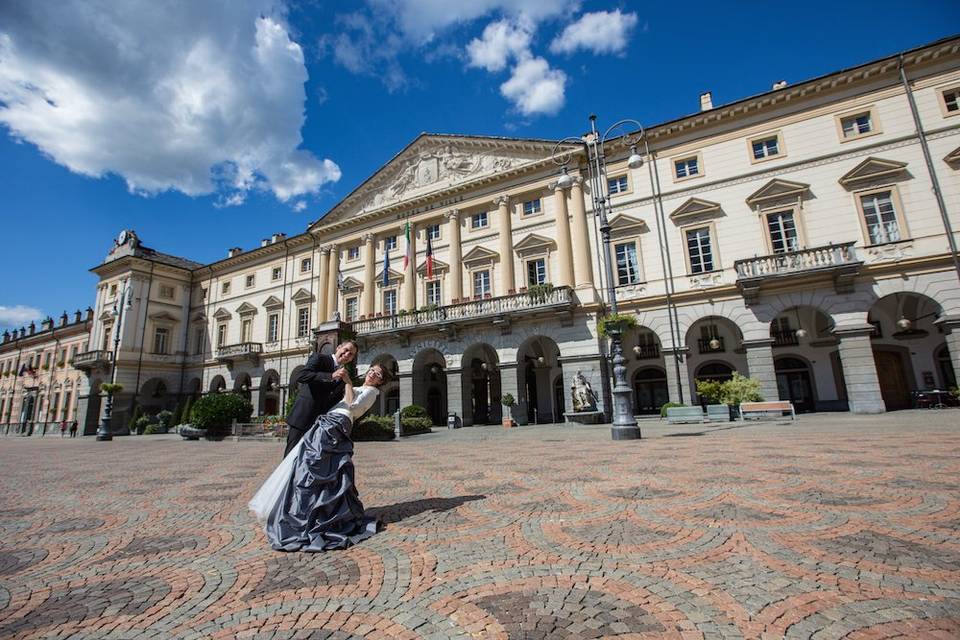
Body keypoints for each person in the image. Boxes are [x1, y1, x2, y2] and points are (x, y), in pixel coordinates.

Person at [249, 363, 388, 552]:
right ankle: (312, 511)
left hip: (337, 423)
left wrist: (347, 381)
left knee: (317, 465)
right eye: (372, 370)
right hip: (330, 420)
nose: (372, 374)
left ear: (381, 381)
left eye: (377, 374)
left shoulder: (372, 392)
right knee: (313, 464)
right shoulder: (363, 387)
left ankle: (317, 513)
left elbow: (350, 404)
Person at [284, 341, 358, 457]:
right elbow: (302, 376)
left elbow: (335, 399)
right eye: (346, 350)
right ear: (339, 347)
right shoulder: (319, 358)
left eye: (351, 354)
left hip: (320, 424)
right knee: (291, 455)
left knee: (307, 459)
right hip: (303, 417)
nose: (347, 354)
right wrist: (330, 376)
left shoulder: (343, 374)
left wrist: (348, 383)